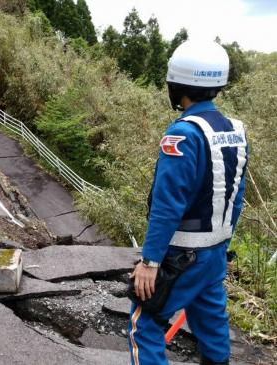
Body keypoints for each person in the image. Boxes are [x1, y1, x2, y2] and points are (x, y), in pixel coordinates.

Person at [127, 40, 248, 365]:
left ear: (178, 85)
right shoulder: (235, 132)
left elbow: (168, 205)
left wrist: (150, 262)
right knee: (211, 323)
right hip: (215, 252)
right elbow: (237, 197)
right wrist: (220, 242)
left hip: (181, 255)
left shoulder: (182, 135)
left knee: (144, 324)